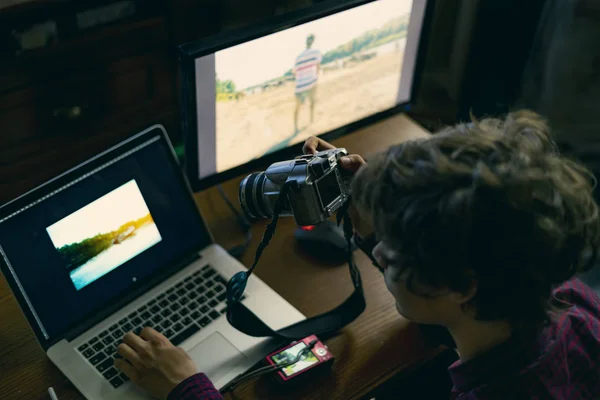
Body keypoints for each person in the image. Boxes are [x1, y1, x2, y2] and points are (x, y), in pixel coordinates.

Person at [114, 111, 600, 399]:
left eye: (395, 246)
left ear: (461, 284)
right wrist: (385, 203)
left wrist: (187, 389)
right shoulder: (563, 295)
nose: (379, 252)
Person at [292, 34, 322, 135]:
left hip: (300, 86)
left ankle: (296, 128)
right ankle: (311, 120)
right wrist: (316, 78)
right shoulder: (316, 53)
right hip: (311, 83)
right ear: (313, 41)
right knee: (312, 102)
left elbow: (295, 72)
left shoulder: (298, 57)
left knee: (297, 108)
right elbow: (318, 68)